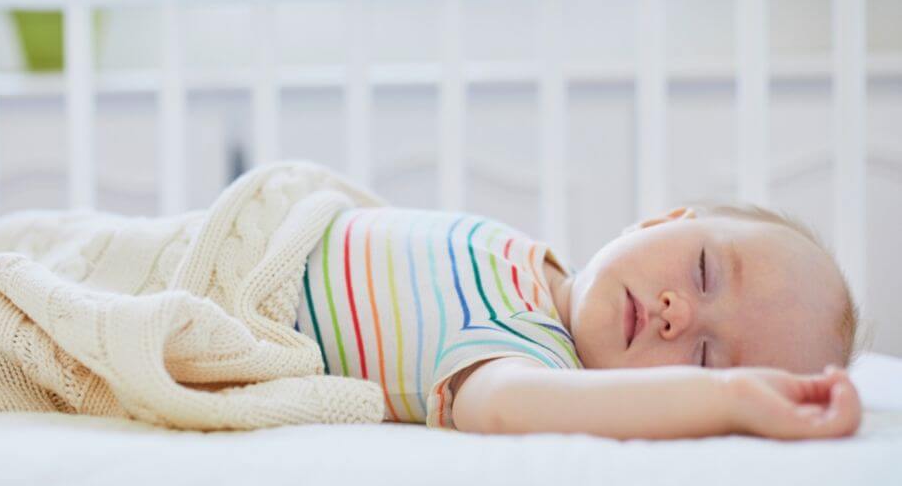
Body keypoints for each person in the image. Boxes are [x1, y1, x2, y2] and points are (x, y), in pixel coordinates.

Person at [296, 201, 864, 440]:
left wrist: (728, 398)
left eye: (705, 357)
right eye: (703, 269)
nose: (679, 314)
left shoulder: (532, 354)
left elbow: (500, 405)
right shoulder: (531, 263)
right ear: (657, 222)